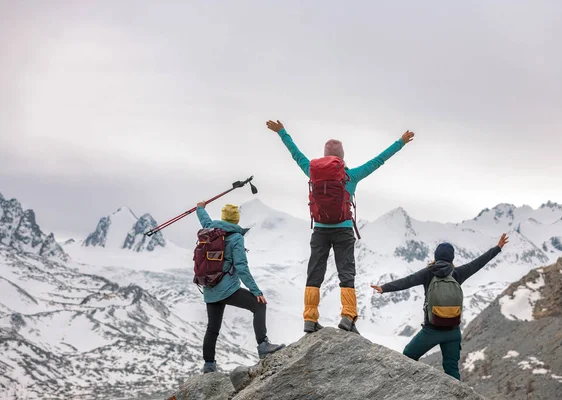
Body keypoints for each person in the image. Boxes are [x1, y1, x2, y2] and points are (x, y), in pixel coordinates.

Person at [266, 119, 415, 335]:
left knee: (314, 273)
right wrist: (400, 142)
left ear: (324, 157)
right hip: (343, 230)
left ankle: (309, 319)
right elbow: (379, 160)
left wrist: (282, 132)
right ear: (342, 158)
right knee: (346, 273)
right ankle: (347, 318)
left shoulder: (311, 171)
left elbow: (296, 154)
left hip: (320, 229)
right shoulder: (351, 176)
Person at [370, 233, 510, 380]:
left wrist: (384, 288)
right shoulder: (457, 273)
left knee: (409, 355)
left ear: (435, 257)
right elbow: (478, 263)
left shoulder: (429, 273)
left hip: (432, 330)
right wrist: (497, 248)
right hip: (453, 331)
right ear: (452, 258)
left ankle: (414, 388)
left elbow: (407, 281)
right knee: (452, 370)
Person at [196, 201, 285, 373]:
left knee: (212, 327)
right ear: (236, 220)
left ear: (223, 218)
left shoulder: (211, 230)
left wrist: (200, 208)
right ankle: (263, 346)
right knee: (259, 304)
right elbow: (242, 268)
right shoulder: (236, 238)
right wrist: (256, 291)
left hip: (209, 287)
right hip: (227, 289)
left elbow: (204, 219)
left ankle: (209, 365)